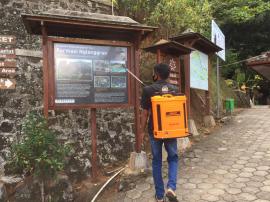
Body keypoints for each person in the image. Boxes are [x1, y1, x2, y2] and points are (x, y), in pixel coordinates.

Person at [140, 63, 179, 202]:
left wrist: (141, 132)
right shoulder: (175, 89)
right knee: (173, 158)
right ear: (168, 74)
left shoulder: (148, 90)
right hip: (171, 129)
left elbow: (144, 114)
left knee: (157, 161)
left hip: (154, 131)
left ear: (156, 74)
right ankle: (171, 188)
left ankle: (159, 195)